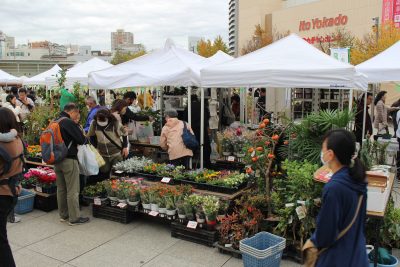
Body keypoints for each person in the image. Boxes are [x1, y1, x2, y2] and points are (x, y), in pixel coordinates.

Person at [304, 129, 368, 267]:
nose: (322, 152)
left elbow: (326, 234)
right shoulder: (358, 179)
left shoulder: (334, 188)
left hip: (337, 259)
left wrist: (312, 242)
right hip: (357, 255)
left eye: (323, 149)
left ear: (330, 154)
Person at [54, 103, 89, 226]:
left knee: (61, 189)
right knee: (73, 190)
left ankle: (63, 215)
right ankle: (74, 218)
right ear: (72, 112)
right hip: (69, 159)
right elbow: (81, 140)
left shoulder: (55, 120)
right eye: (77, 113)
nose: (77, 115)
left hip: (56, 159)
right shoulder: (68, 122)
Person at [0, 108, 25, 267]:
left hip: (1, 193)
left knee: (1, 241)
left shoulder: (3, 145)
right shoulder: (18, 140)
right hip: (11, 191)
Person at [87, 109, 128, 178]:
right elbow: (92, 136)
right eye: (99, 120)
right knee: (104, 172)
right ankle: (106, 186)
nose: (101, 122)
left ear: (108, 117)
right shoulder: (94, 124)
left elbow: (124, 133)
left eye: (103, 120)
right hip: (102, 153)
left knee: (117, 172)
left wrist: (125, 147)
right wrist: (95, 148)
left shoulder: (115, 123)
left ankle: (116, 186)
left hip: (116, 153)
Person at [183, 94, 211, 168]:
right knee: (205, 146)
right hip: (202, 129)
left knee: (191, 146)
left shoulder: (188, 107)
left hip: (192, 130)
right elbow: (208, 116)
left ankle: (190, 164)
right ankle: (207, 164)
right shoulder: (202, 106)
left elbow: (185, 120)